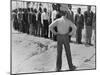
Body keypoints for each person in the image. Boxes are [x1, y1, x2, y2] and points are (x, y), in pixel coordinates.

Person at [49, 5, 77, 71]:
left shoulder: (58, 20)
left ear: (61, 13)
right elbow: (75, 28)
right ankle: (71, 66)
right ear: (66, 13)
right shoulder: (68, 21)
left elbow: (50, 26)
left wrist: (55, 33)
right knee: (68, 52)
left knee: (59, 53)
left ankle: (58, 67)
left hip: (59, 37)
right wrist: (70, 34)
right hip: (66, 37)